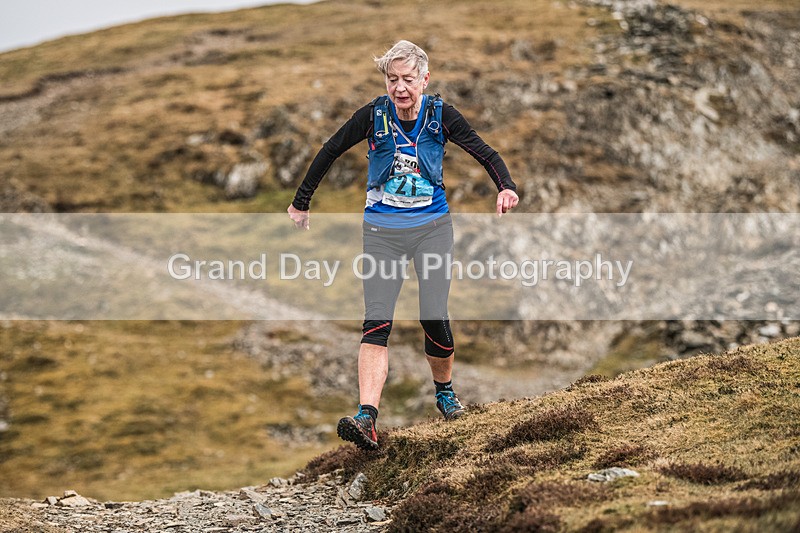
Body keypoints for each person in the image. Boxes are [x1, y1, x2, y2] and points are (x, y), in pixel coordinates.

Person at [288, 40, 518, 450]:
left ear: (424, 80)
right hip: (381, 233)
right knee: (376, 322)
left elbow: (485, 152)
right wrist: (302, 201)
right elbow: (331, 150)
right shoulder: (372, 116)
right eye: (392, 79)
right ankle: (367, 419)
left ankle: (445, 393)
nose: (399, 88)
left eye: (407, 80)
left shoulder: (440, 115)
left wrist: (506, 187)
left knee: (433, 315)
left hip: (432, 229)